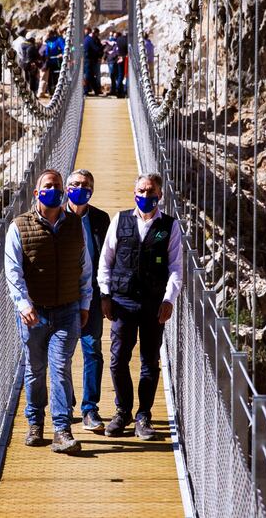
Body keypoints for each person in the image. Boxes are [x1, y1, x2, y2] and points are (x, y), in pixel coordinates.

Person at [5, 169, 93, 454]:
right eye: (48, 186)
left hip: (67, 310)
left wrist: (84, 304)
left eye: (57, 186)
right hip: (34, 313)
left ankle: (61, 430)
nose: (54, 190)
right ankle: (35, 423)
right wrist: (23, 304)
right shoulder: (19, 226)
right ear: (36, 193)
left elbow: (85, 268)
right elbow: (13, 270)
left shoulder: (76, 225)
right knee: (34, 370)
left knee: (60, 367)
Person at [98, 173, 182, 440]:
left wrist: (169, 299)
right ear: (133, 192)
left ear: (161, 194)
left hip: (153, 303)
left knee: (150, 361)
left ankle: (143, 416)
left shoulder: (170, 226)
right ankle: (122, 412)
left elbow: (177, 267)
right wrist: (105, 294)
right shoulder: (120, 220)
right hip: (122, 301)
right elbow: (106, 260)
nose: (146, 196)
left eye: (151, 191)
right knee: (117, 359)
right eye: (141, 191)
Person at [65, 169, 110, 431]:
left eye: (85, 185)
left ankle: (90, 409)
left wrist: (107, 296)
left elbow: (108, 258)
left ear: (92, 189)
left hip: (92, 295)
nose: (80, 188)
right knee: (64, 353)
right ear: (67, 187)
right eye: (75, 184)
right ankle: (67, 400)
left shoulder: (101, 219)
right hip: (63, 296)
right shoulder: (56, 216)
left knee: (92, 349)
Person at [103, 30, 119, 96]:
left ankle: (115, 90)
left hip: (113, 61)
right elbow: (106, 50)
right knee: (112, 76)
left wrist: (111, 55)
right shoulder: (109, 43)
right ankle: (114, 90)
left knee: (114, 76)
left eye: (112, 35)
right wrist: (104, 57)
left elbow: (115, 52)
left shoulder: (116, 43)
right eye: (111, 35)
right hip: (110, 61)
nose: (111, 36)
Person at [115, 31, 128, 97]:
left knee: (120, 75)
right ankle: (125, 91)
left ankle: (118, 90)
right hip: (125, 58)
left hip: (119, 58)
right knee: (127, 75)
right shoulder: (127, 40)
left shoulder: (118, 39)